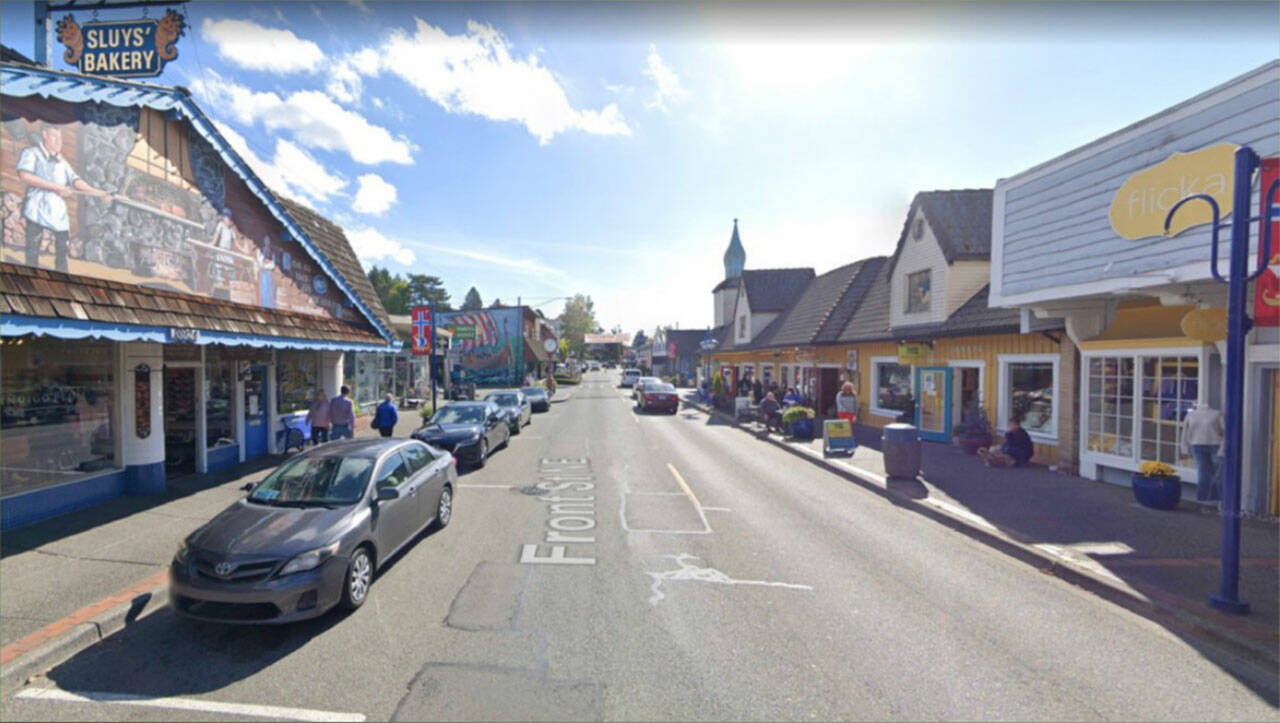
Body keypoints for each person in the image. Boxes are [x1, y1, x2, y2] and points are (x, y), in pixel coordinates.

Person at [16, 121, 112, 273]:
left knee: (62, 247)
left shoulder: (62, 162)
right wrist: (56, 187)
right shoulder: (31, 153)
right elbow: (25, 175)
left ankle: (62, 276)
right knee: (33, 247)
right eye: (54, 137)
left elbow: (76, 181)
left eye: (59, 138)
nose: (58, 141)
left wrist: (99, 193)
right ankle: (29, 276)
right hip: (37, 207)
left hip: (57, 210)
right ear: (45, 135)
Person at [1181, 402, 1224, 502]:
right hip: (1197, 446)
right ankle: (1203, 499)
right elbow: (1185, 432)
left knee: (1217, 475)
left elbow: (1225, 431)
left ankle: (1216, 499)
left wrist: (1223, 448)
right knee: (1203, 474)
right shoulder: (1190, 415)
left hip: (1215, 445)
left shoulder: (1217, 414)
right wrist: (1184, 448)